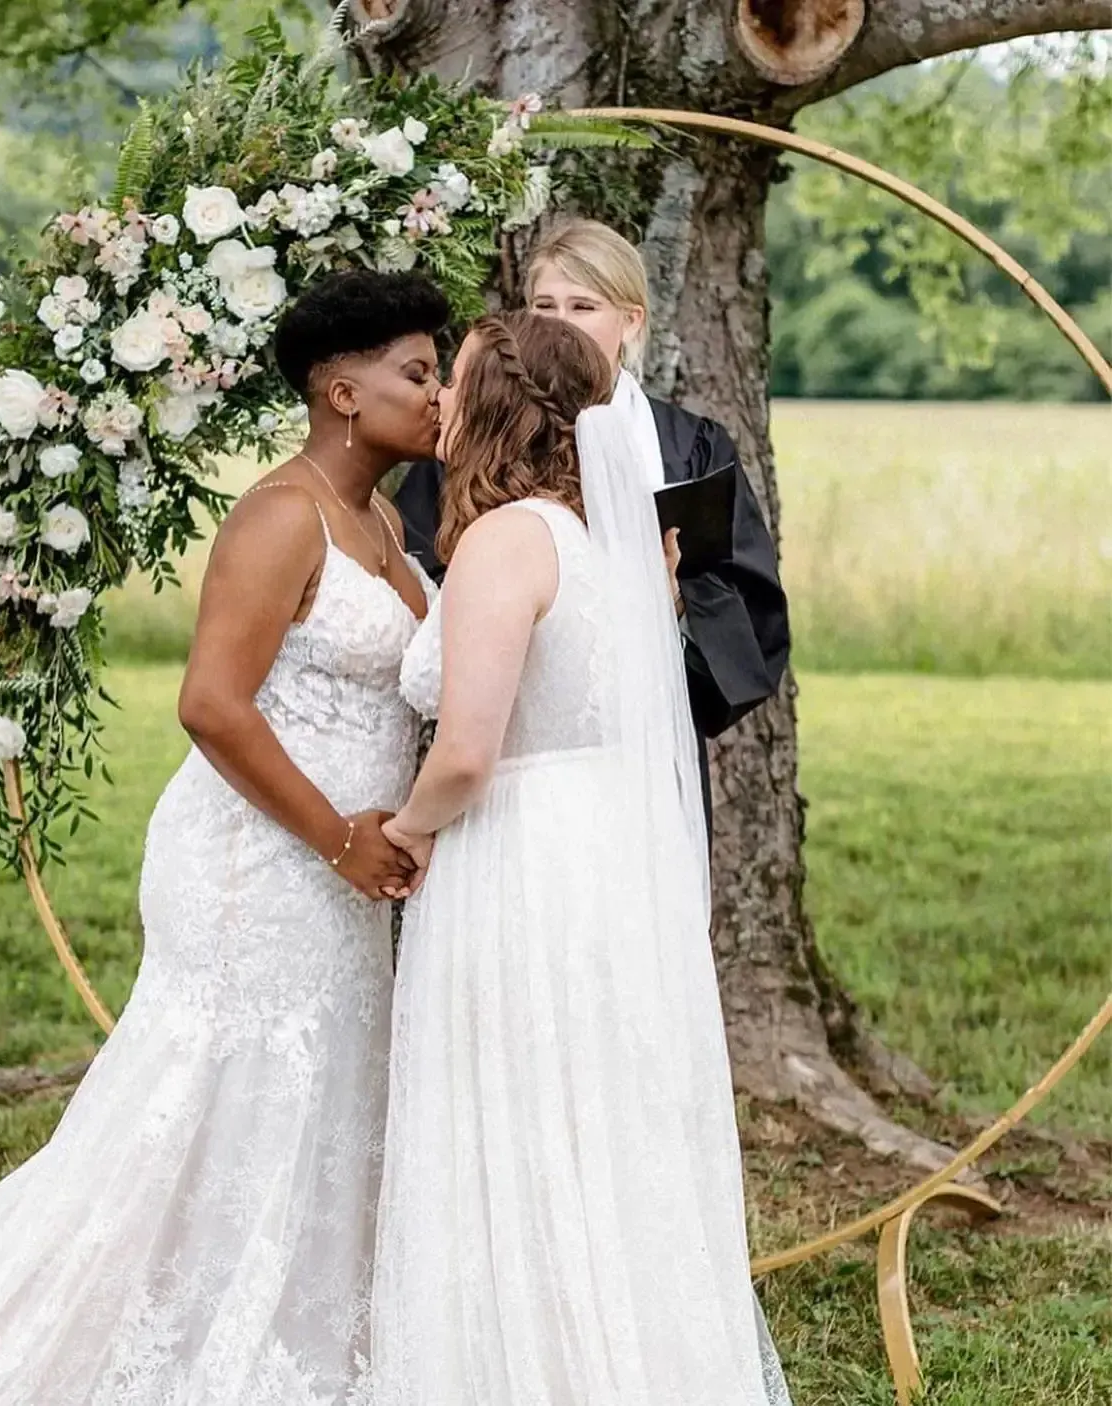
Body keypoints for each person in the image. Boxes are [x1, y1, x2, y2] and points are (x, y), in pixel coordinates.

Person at [0, 269, 444, 1406]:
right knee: (222, 1091)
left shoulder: (385, 519)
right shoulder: (280, 513)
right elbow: (210, 703)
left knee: (314, 1093)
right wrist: (333, 840)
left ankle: (282, 1332)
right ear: (337, 389)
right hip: (262, 861)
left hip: (345, 872)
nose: (437, 393)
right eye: (415, 372)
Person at [367, 311, 792, 1404]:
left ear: (500, 405)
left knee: (512, 1118)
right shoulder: (606, 545)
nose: (441, 406)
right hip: (599, 858)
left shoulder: (507, 539)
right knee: (589, 1121)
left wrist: (401, 832)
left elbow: (465, 751)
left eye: (455, 384)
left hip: (518, 861)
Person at [395, 218, 789, 833]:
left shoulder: (686, 448)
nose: (560, 324)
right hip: (516, 749)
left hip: (651, 745)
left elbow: (747, 603)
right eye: (544, 306)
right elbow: (427, 562)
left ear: (630, 321)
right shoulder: (478, 438)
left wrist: (672, 608)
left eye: (583, 306)